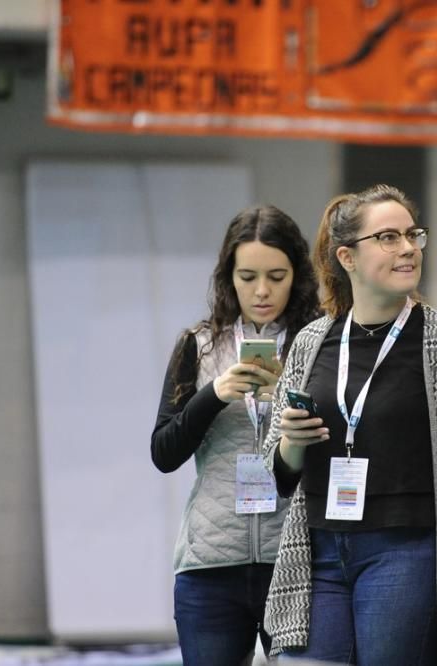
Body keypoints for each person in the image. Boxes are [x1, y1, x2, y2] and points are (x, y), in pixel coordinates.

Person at [260, 184, 437, 666]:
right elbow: (277, 470)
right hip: (317, 552)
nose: (407, 248)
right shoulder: (312, 343)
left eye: (412, 235)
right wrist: (292, 445)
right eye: (387, 237)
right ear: (348, 257)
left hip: (405, 552)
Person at [150, 204, 319, 666]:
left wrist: (290, 390)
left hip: (296, 561)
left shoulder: (321, 344)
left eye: (276, 276)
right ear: (229, 277)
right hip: (211, 565)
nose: (262, 291)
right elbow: (164, 452)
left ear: (297, 276)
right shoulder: (199, 344)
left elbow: (346, 443)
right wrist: (215, 393)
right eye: (247, 277)